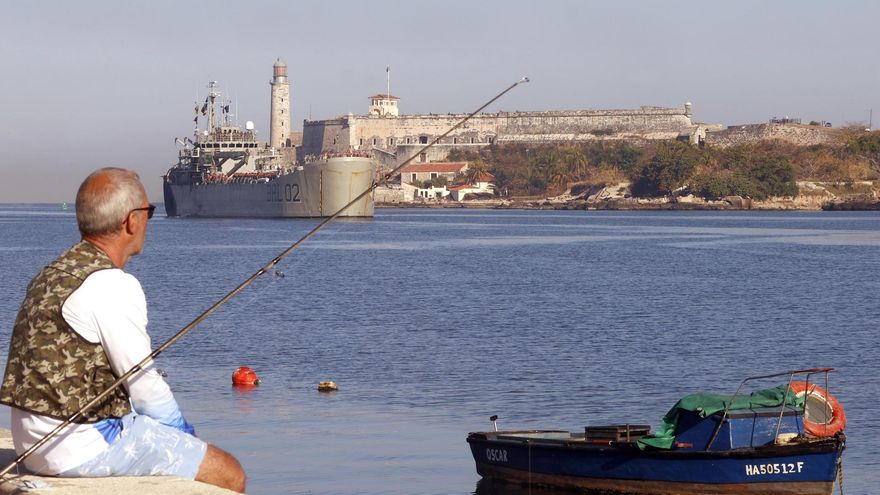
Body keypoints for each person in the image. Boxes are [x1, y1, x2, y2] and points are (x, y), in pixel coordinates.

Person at [0, 168, 245, 492]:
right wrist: (185, 440)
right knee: (229, 472)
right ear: (132, 221)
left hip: (32, 442)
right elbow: (143, 386)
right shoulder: (112, 284)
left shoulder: (51, 273)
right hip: (79, 446)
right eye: (149, 212)